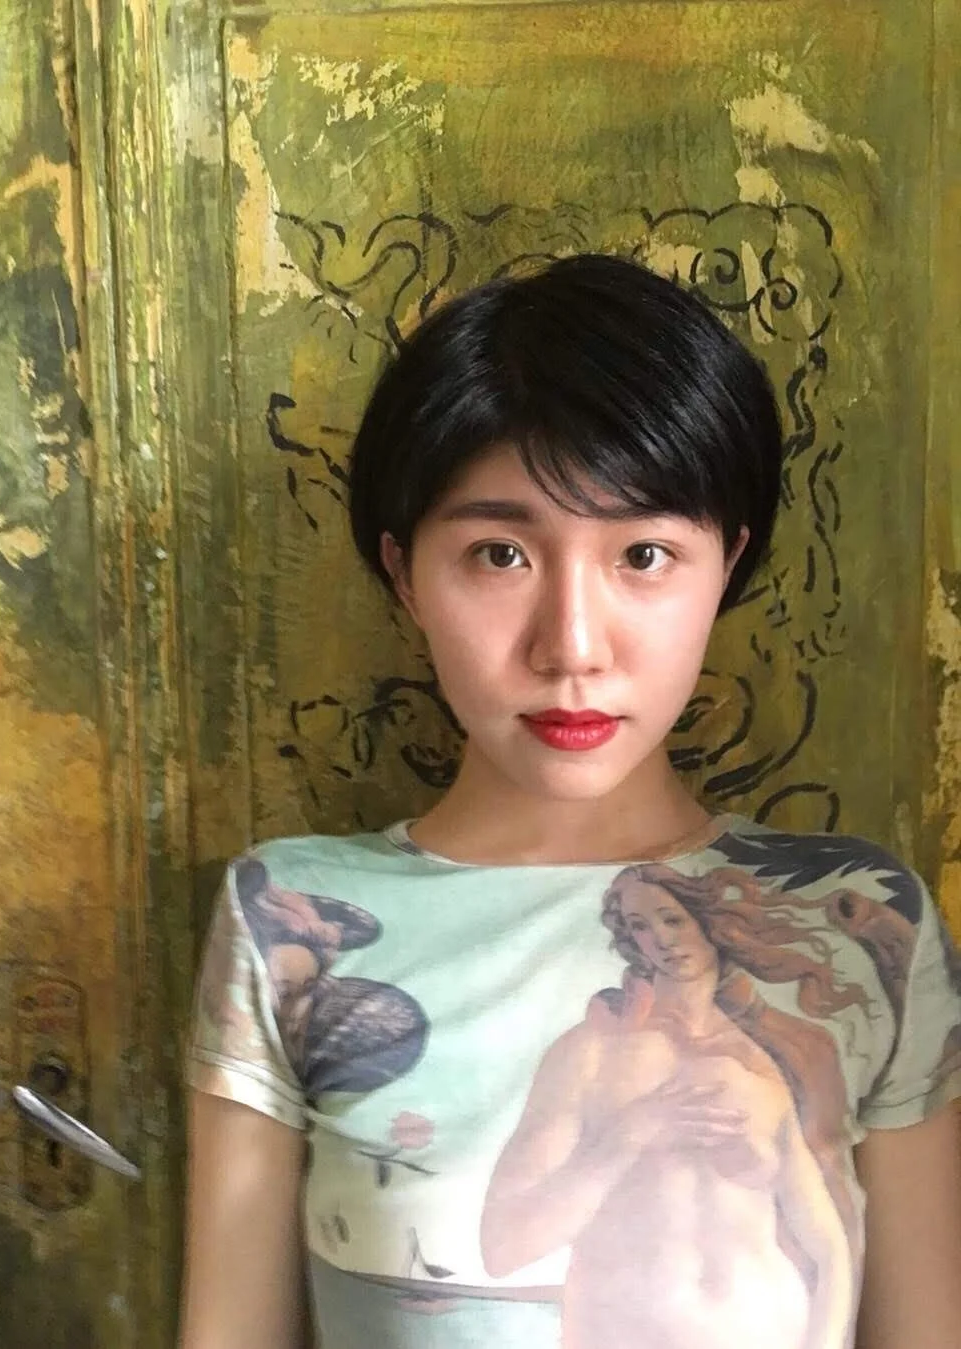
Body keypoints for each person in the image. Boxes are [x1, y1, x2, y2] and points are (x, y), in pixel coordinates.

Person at [179, 254, 961, 1349]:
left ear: (727, 564)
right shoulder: (293, 924)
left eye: (645, 553)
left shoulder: (862, 922)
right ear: (404, 575)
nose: (573, 647)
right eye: (500, 554)